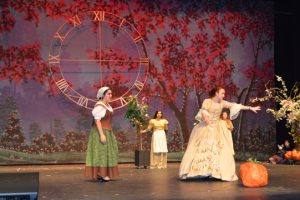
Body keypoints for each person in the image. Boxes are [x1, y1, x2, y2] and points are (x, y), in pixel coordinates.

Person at [179, 86, 261, 181]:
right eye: (222, 93)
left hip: (217, 128)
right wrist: (207, 121)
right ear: (216, 93)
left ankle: (215, 172)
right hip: (206, 127)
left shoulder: (222, 103)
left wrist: (250, 108)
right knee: (203, 148)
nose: (223, 95)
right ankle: (201, 171)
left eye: (224, 93)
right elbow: (203, 111)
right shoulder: (207, 101)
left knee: (219, 149)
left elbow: (235, 105)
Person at [85, 86, 119, 182]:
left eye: (111, 93)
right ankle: (101, 173)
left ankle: (103, 172)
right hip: (100, 131)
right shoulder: (99, 106)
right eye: (108, 94)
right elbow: (97, 120)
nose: (110, 95)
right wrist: (101, 134)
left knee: (106, 152)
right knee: (101, 152)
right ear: (103, 95)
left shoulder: (108, 106)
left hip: (107, 130)